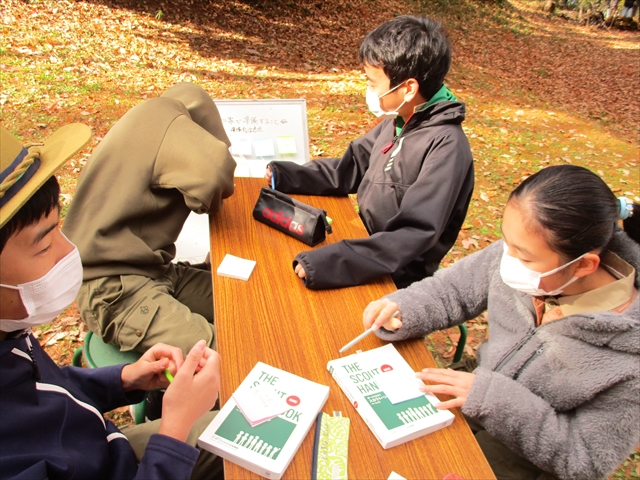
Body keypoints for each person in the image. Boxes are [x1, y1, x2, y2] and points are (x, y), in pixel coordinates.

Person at [363, 165, 639, 480]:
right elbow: (453, 290)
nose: (505, 257)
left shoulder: (630, 361)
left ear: (584, 266)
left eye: (523, 257)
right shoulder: (528, 247)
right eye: (505, 241)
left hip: (527, 457)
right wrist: (403, 308)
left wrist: (493, 399)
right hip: (474, 386)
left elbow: (584, 459)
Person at [0, 125, 222, 479]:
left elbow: (47, 391)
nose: (68, 250)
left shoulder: (8, 332)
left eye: (59, 228)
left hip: (112, 451)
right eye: (43, 245)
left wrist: (124, 379)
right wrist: (176, 429)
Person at [264, 15, 474, 290]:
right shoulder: (399, 121)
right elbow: (348, 168)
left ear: (408, 88)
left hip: (394, 278)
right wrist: (286, 175)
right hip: (360, 243)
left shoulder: (446, 147)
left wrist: (331, 262)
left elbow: (411, 235)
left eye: (374, 83)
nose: (369, 91)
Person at [61, 83, 236, 356]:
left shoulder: (145, 121)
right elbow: (215, 174)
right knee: (229, 355)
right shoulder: (169, 124)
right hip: (114, 289)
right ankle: (172, 399)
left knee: (242, 301)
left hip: (153, 270)